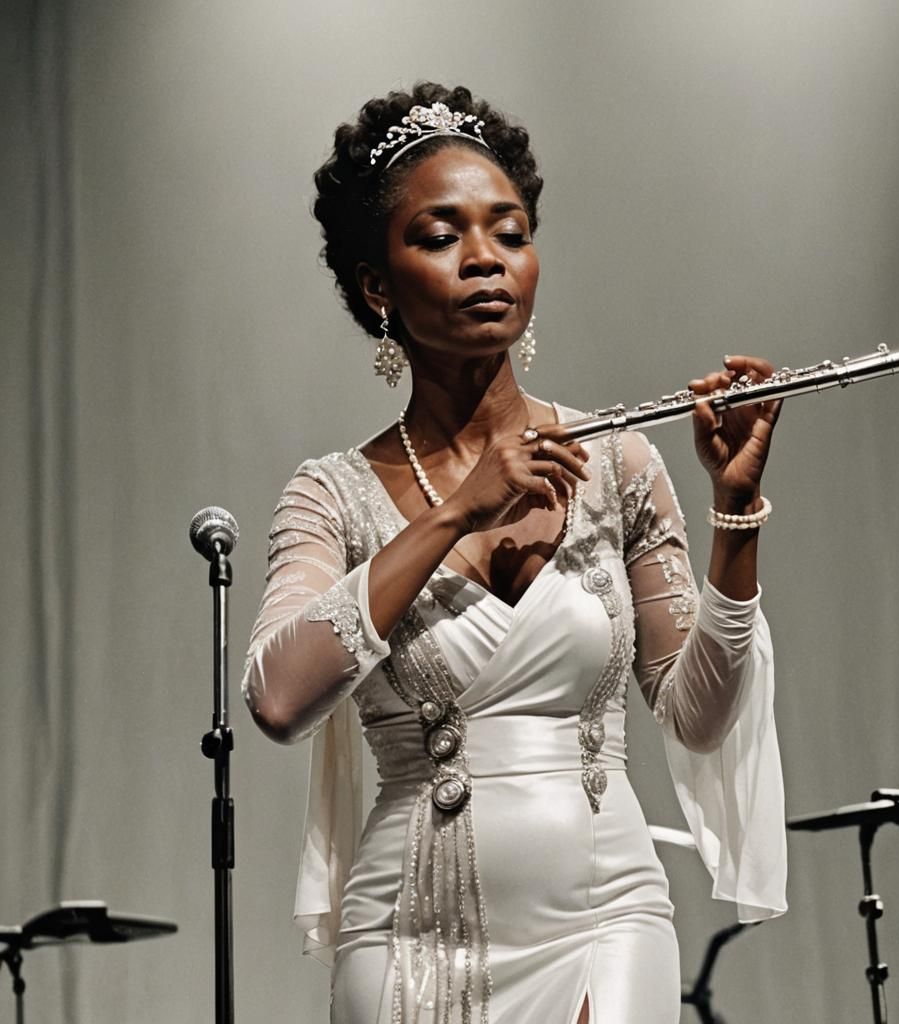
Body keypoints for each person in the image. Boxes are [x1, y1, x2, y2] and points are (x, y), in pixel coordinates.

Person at [242, 82, 787, 1024]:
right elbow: (279, 699)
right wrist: (456, 512)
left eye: (511, 230)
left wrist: (734, 513)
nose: (486, 260)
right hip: (410, 932)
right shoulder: (331, 492)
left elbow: (697, 717)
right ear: (378, 285)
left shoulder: (618, 459)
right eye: (441, 236)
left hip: (608, 919)